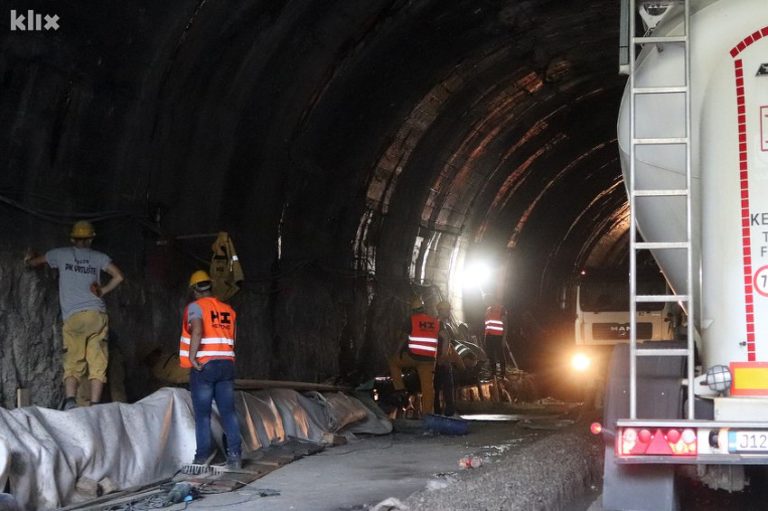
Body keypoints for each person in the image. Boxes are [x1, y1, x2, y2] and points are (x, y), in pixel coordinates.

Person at [25, 220, 124, 409]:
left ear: (72, 238)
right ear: (91, 239)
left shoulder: (61, 254)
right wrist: (103, 290)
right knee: (98, 361)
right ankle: (95, 404)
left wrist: (29, 259)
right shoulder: (99, 257)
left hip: (74, 317)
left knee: (72, 359)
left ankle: (70, 401)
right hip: (97, 315)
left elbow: (35, 263)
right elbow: (119, 276)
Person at [180, 270, 241, 469]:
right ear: (210, 287)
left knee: (203, 415)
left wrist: (191, 357)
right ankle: (235, 456)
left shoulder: (195, 307)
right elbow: (233, 338)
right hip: (226, 364)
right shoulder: (227, 309)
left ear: (194, 290)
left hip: (205, 365)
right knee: (228, 412)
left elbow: (197, 329)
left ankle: (202, 457)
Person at [388, 297, 439, 417]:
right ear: (423, 309)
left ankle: (400, 391)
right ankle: (428, 415)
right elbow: (442, 338)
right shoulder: (435, 321)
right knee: (428, 388)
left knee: (393, 362)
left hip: (414, 357)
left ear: (413, 310)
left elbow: (403, 339)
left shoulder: (411, 320)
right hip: (429, 359)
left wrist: (397, 352)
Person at [433, 300, 463, 416]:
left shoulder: (441, 323)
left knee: (439, 386)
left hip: (439, 358)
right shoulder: (439, 323)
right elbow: (445, 339)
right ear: (441, 310)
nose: (449, 312)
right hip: (440, 358)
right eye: (447, 310)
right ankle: (447, 412)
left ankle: (439, 411)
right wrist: (444, 357)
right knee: (446, 386)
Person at [483, 301, 507, 378]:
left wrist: (504, 338)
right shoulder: (488, 309)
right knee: (490, 354)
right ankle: (493, 373)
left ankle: (503, 373)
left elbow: (506, 325)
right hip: (489, 336)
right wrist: (485, 336)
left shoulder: (500, 309)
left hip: (498, 336)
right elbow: (487, 324)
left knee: (500, 354)